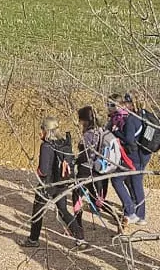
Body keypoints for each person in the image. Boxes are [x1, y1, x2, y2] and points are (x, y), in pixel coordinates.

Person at [23, 118, 86, 249]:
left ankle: (33, 239)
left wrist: (38, 171)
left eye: (42, 129)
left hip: (47, 184)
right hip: (62, 183)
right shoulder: (64, 143)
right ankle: (80, 238)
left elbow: (44, 171)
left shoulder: (46, 146)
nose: (40, 132)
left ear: (47, 130)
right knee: (63, 210)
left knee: (37, 212)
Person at [109, 94, 152, 229]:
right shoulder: (143, 115)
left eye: (126, 102)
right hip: (143, 155)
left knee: (118, 180)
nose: (124, 104)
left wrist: (116, 133)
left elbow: (128, 140)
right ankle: (139, 214)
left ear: (132, 104)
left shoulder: (131, 120)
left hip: (134, 157)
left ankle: (133, 212)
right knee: (135, 182)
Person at [77, 106, 118, 224]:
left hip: (87, 169)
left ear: (85, 120)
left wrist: (76, 161)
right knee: (97, 199)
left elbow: (84, 155)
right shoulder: (102, 130)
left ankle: (76, 227)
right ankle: (115, 216)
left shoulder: (89, 134)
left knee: (78, 195)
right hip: (99, 168)